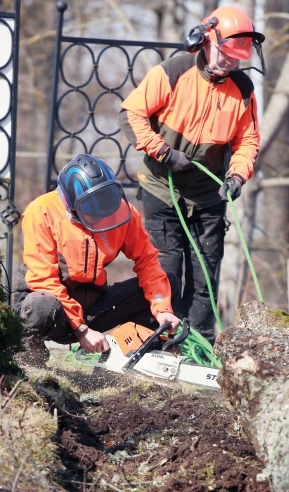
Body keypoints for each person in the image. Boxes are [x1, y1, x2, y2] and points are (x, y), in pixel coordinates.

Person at [118, 5, 264, 341]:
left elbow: (247, 140)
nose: (231, 63)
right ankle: (161, 336)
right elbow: (131, 115)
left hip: (208, 194)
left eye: (237, 59)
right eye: (226, 55)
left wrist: (237, 176)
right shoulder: (173, 72)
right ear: (205, 41)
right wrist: (164, 153)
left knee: (206, 274)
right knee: (166, 270)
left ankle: (200, 339)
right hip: (160, 186)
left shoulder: (242, 90)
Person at [14, 154, 181, 364]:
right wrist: (82, 330)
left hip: (90, 303)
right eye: (93, 213)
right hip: (50, 305)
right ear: (72, 205)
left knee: (170, 284)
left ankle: (136, 359)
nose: (101, 217)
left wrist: (162, 309)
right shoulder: (42, 211)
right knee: (41, 308)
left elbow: (148, 262)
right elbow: (43, 281)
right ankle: (31, 355)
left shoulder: (121, 213)